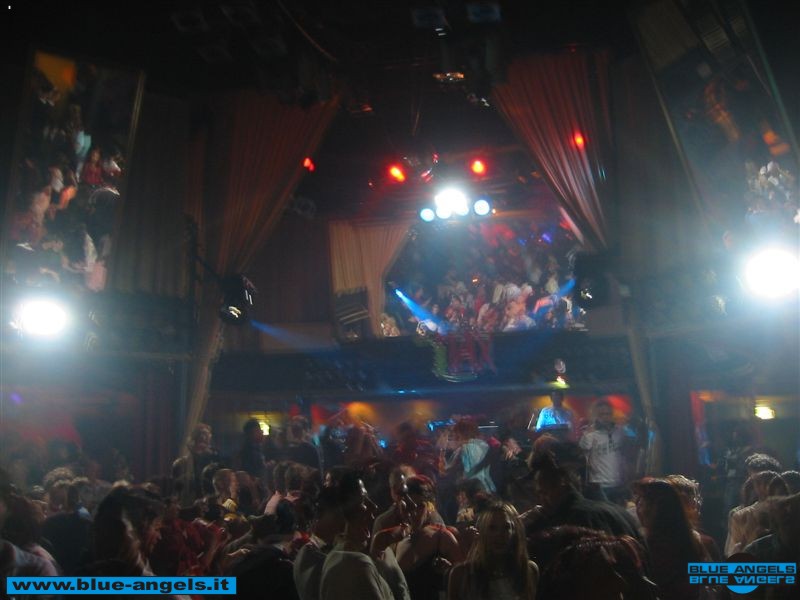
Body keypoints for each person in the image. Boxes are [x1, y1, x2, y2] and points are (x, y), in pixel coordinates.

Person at [319, 472, 409, 600]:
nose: (374, 506)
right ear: (344, 509)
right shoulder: (359, 564)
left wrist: (379, 550)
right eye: (363, 500)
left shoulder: (333, 557)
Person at [448, 502, 538, 600]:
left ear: (515, 532)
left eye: (506, 527)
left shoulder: (528, 571)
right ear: (483, 532)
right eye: (492, 528)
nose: (499, 534)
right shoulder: (461, 575)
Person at [579, 398, 627, 503]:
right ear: (596, 416)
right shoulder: (590, 434)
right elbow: (582, 455)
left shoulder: (619, 432)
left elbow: (625, 454)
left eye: (608, 414)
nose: (605, 417)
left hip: (618, 482)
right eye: (601, 414)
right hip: (599, 484)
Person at [172, 424, 218, 507]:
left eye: (206, 435)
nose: (203, 437)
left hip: (210, 504)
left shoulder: (214, 461)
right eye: (201, 434)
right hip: (189, 504)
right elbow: (177, 488)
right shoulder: (181, 463)